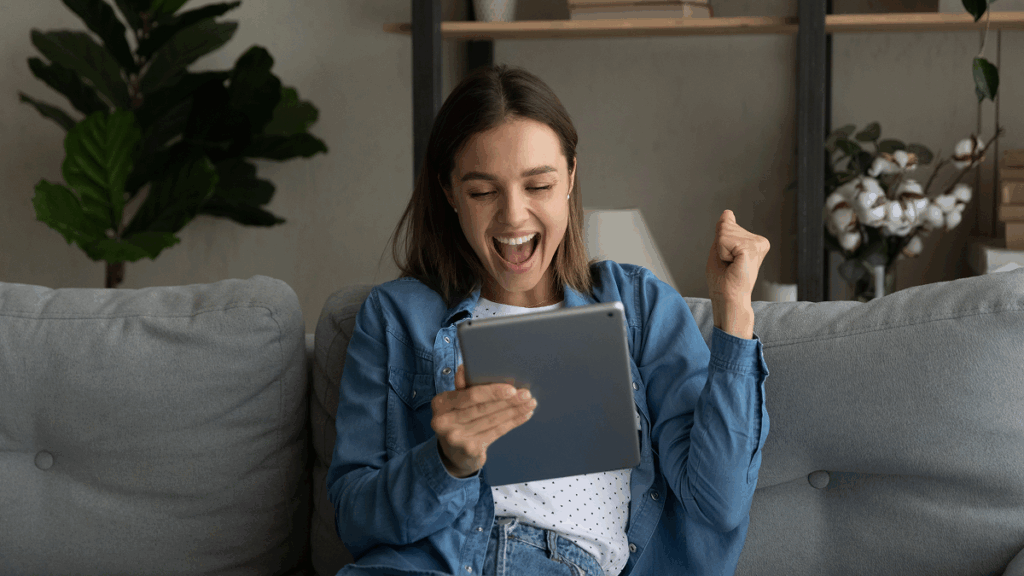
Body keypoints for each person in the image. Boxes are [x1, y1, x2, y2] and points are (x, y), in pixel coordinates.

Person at [327, 64, 771, 576]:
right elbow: (355, 521)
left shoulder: (640, 307)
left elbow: (719, 501)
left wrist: (733, 310)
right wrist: (447, 463)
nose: (513, 216)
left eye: (538, 185)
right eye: (482, 192)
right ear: (449, 192)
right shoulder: (396, 317)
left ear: (570, 178)